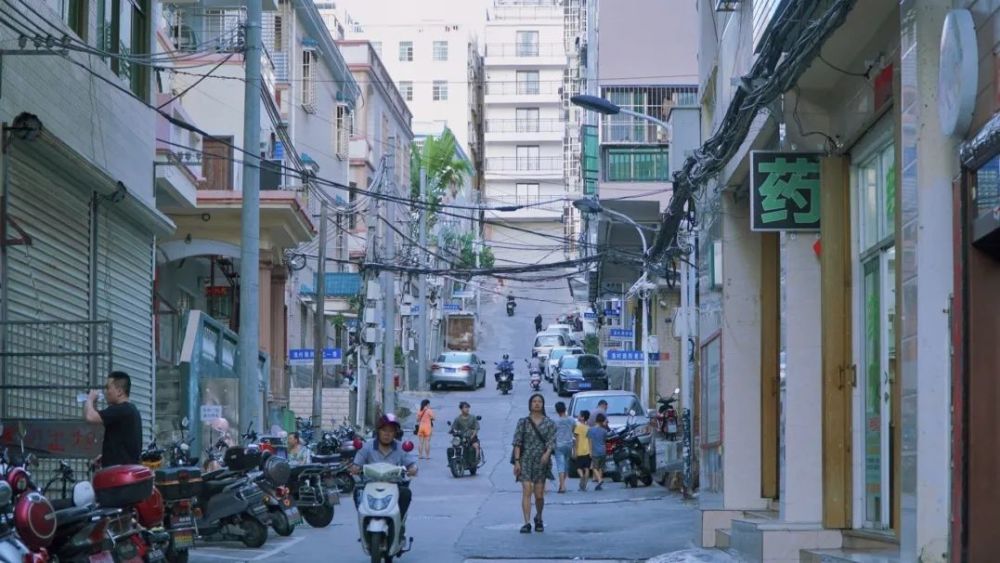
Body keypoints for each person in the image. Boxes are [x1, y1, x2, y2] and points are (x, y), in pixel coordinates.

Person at [351, 414, 418, 519]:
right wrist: (355, 468)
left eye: (391, 431)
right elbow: (356, 464)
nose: (387, 434)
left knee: (406, 493)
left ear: (395, 433)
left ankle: (399, 522)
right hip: (370, 485)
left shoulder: (400, 447)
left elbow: (411, 464)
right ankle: (363, 519)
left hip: (394, 485)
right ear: (378, 431)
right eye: (384, 430)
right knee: (357, 491)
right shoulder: (367, 447)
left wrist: (413, 469)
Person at [511, 393, 556, 534]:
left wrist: (547, 454)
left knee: (539, 495)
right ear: (530, 404)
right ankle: (526, 522)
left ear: (543, 405)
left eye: (539, 402)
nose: (537, 404)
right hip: (525, 459)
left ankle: (539, 516)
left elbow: (551, 442)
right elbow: (517, 442)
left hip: (541, 461)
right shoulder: (523, 422)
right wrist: (517, 462)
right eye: (534, 401)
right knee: (526, 490)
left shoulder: (549, 423)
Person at [83, 371, 142, 467]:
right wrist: (106, 456)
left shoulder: (120, 409)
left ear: (119, 391)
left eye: (108, 388)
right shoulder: (131, 410)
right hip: (126, 469)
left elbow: (90, 417)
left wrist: (90, 399)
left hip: (118, 473)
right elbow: (123, 444)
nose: (106, 392)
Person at [552, 401, 575, 494]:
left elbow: (552, 432)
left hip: (559, 445)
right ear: (565, 409)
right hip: (569, 444)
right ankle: (563, 484)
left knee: (560, 466)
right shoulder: (571, 420)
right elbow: (573, 429)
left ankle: (562, 486)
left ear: (557, 411)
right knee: (565, 465)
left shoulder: (555, 421)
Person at [588, 413, 609, 490]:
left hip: (595, 451)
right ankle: (599, 483)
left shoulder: (590, 429)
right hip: (603, 450)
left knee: (594, 467)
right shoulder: (604, 431)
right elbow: (604, 440)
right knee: (600, 467)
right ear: (602, 421)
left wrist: (590, 451)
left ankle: (599, 479)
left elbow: (590, 441)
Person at [573, 410, 592, 491]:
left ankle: (581, 476)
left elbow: (576, 440)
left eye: (579, 415)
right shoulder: (588, 428)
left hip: (580, 450)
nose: (578, 417)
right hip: (587, 450)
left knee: (578, 467)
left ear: (583, 417)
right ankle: (584, 485)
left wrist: (575, 450)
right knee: (587, 468)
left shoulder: (578, 427)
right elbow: (590, 440)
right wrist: (591, 450)